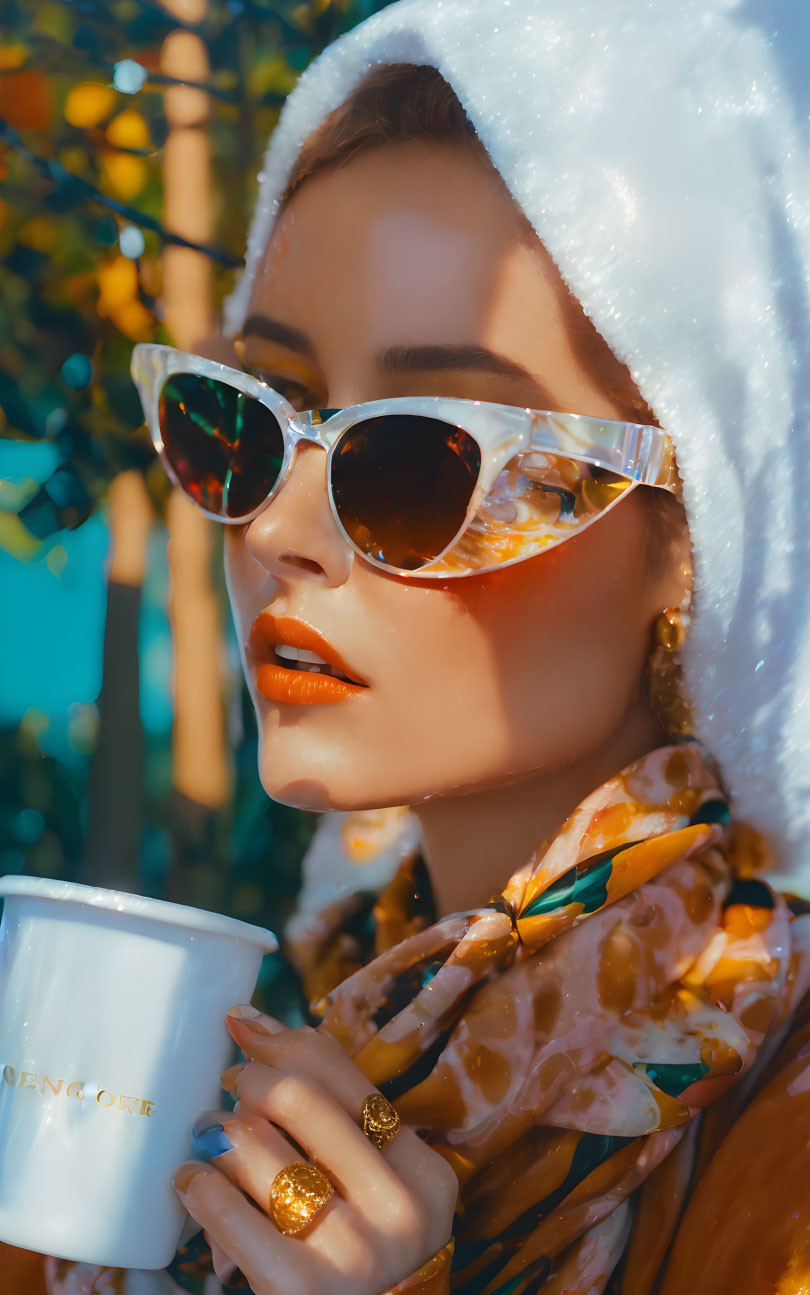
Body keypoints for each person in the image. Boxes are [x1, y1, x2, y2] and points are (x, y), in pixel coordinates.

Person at [43, 0, 810, 1291]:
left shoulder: (778, 1137)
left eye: (421, 463)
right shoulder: (340, 1011)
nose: (278, 527)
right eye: (240, 422)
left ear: (700, 540)